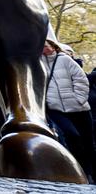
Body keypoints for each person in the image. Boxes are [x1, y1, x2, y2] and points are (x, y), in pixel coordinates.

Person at [43, 40, 93, 181]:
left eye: (46, 46)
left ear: (53, 47)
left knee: (88, 141)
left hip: (78, 108)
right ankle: (78, 170)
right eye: (41, 47)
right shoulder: (38, 63)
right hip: (55, 108)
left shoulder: (64, 59)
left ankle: (90, 173)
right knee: (72, 135)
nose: (44, 49)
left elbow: (81, 79)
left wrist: (79, 99)